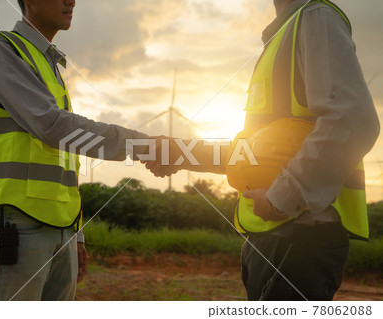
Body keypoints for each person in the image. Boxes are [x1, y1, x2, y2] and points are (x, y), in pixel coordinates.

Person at [145, 0, 379, 300]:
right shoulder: (284, 34)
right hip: (275, 237)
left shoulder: (316, 18)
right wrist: (181, 152)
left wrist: (281, 198)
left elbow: (352, 120)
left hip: (300, 236)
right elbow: (256, 153)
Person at [0, 0, 150, 300]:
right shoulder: (1, 49)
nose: (72, 0)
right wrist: (140, 144)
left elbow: (65, 161)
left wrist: (75, 233)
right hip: (18, 225)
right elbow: (52, 127)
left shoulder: (50, 66)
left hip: (61, 230)